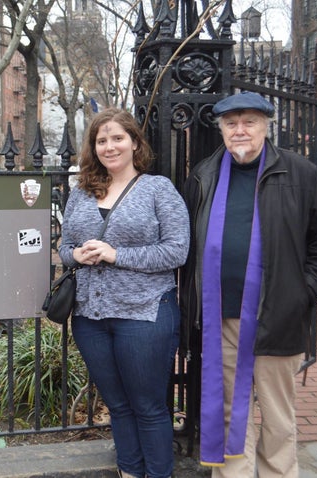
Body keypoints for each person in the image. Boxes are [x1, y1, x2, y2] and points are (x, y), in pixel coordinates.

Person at [180, 92, 317, 477]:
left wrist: (303, 292)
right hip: (222, 319)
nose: (239, 131)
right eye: (231, 123)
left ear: (266, 125)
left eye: (249, 122)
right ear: (220, 128)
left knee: (277, 416)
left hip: (278, 316)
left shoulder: (299, 173)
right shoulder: (204, 175)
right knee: (228, 413)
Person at [59, 108, 190, 478]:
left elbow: (177, 250)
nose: (109, 146)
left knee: (148, 406)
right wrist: (77, 255)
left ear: (134, 142)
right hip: (90, 317)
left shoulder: (157, 189)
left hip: (144, 314)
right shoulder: (82, 192)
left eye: (117, 138)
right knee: (118, 405)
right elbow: (64, 246)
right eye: (101, 140)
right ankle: (129, 472)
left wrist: (116, 255)